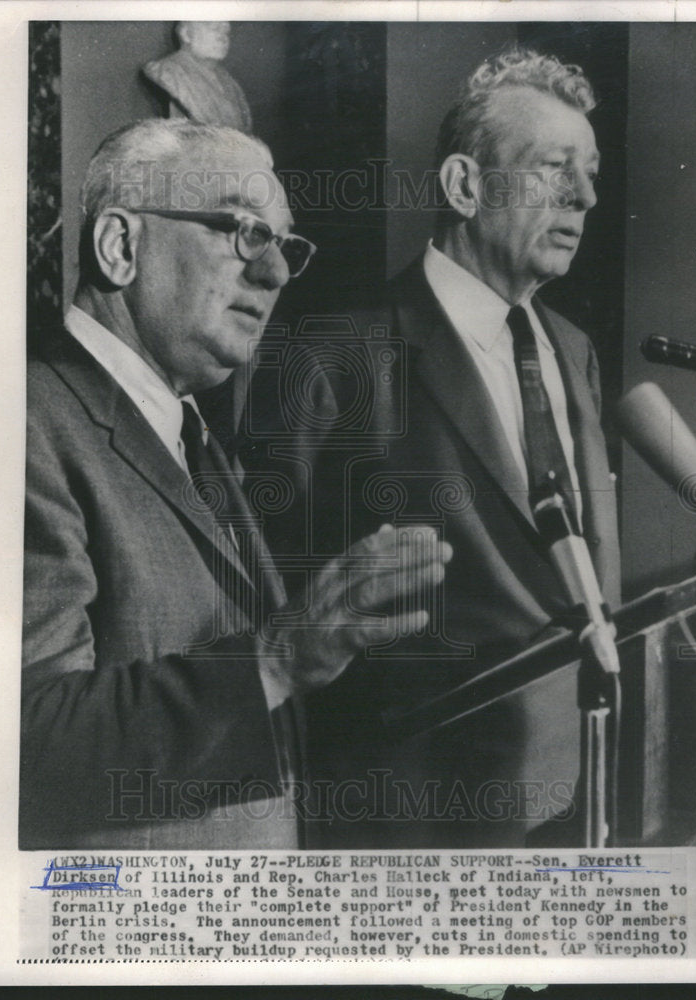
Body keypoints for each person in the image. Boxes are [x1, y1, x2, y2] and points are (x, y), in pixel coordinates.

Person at [20, 119, 451, 849]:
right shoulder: (20, 421)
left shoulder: (193, 434)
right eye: (244, 230)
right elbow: (27, 746)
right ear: (121, 247)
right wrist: (279, 657)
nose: (276, 274)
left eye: (284, 244)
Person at [291, 48, 621, 847]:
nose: (585, 195)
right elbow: (276, 599)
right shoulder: (336, 352)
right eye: (554, 168)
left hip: (584, 791)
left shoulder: (571, 346)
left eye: (591, 171)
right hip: (413, 816)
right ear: (464, 187)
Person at [143, 22, 252, 132]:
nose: (223, 38)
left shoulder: (229, 81)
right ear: (186, 34)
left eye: (226, 32)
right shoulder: (167, 71)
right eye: (214, 28)